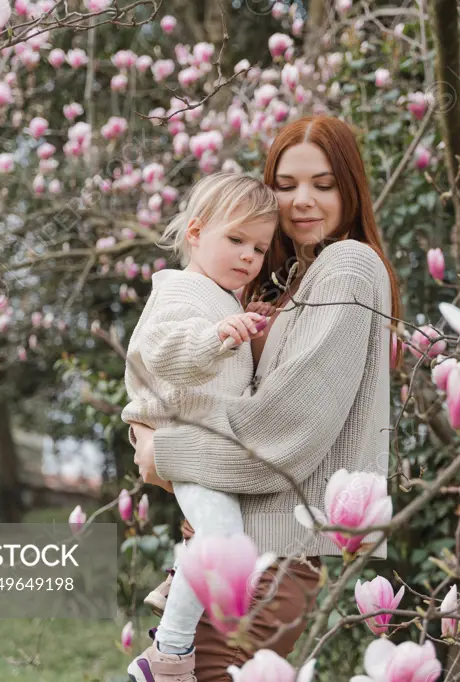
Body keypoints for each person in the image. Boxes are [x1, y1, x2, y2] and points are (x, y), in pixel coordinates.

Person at [130, 115, 402, 682]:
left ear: (350, 187)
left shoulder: (346, 265)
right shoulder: (282, 281)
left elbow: (286, 429)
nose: (302, 201)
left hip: (270, 560)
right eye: (286, 184)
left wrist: (164, 453)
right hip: (245, 551)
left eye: (323, 184)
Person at [121, 173, 279, 681]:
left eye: (259, 247)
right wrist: (216, 338)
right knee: (224, 536)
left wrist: (242, 328)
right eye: (236, 239)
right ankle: (166, 658)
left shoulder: (220, 298)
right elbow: (165, 353)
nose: (249, 256)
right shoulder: (181, 291)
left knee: (219, 535)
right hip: (179, 435)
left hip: (203, 442)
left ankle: (179, 578)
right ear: (195, 232)